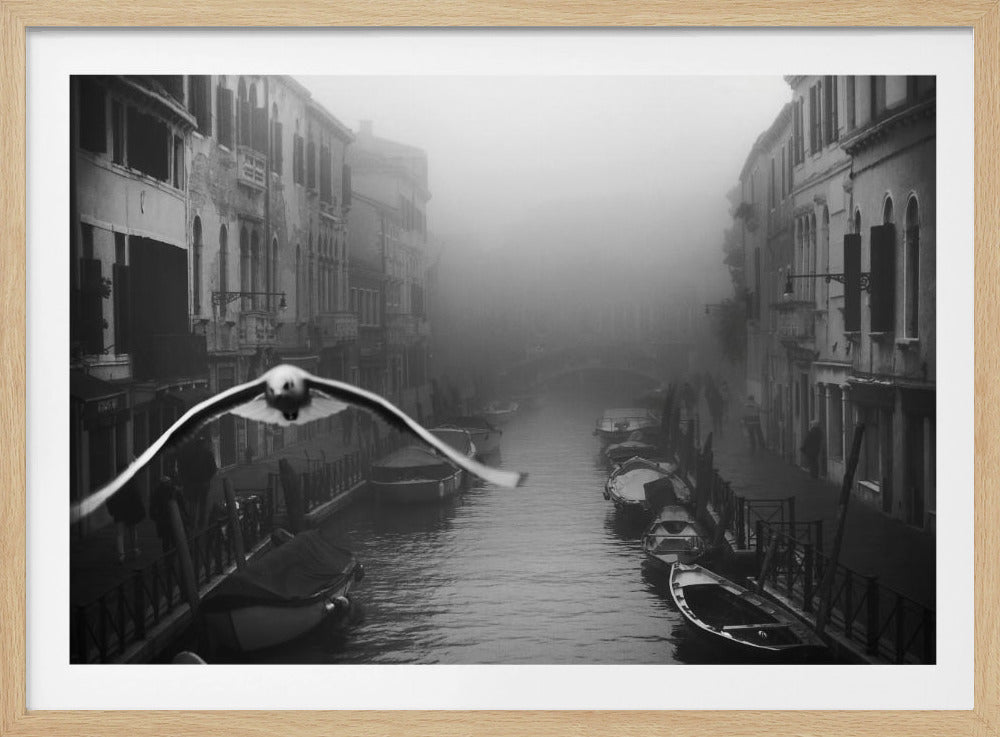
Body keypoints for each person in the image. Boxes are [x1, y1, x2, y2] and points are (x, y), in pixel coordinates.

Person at [177, 433, 217, 531]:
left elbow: (183, 468)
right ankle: (201, 524)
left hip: (192, 484)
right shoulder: (208, 454)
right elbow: (213, 469)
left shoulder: (190, 454)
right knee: (203, 503)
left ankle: (192, 523)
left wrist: (186, 481)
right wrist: (208, 479)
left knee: (193, 503)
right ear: (204, 444)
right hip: (204, 483)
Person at [106, 474, 145, 564]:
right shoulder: (131, 483)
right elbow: (137, 497)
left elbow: (109, 498)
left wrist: (112, 510)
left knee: (120, 534)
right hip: (130, 512)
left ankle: (121, 555)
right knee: (133, 530)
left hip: (119, 512)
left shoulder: (116, 484)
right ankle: (134, 550)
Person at [149, 474, 187, 553]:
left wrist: (155, 518)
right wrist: (186, 517)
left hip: (163, 520)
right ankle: (172, 557)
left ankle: (168, 560)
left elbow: (152, 508)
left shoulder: (157, 492)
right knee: (174, 540)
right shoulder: (175, 491)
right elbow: (183, 505)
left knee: (166, 542)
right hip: (174, 520)